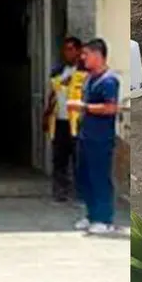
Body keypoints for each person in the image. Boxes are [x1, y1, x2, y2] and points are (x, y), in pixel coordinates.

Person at [67, 38, 120, 235]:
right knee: (85, 177)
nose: (83, 58)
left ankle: (104, 219)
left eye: (86, 54)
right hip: (85, 136)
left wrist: (84, 107)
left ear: (98, 55)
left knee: (99, 177)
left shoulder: (109, 81)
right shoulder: (89, 79)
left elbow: (110, 108)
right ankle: (91, 215)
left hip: (101, 138)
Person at [43, 36, 87, 202]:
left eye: (70, 49)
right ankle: (60, 191)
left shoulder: (86, 72)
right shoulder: (58, 71)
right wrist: (46, 115)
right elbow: (53, 94)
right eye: (65, 49)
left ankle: (80, 192)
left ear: (78, 50)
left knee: (79, 158)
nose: (67, 53)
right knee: (59, 158)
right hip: (59, 121)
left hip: (78, 122)